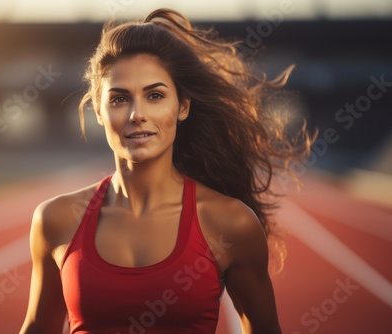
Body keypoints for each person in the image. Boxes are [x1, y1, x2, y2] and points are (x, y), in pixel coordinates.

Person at [20, 8, 312, 334]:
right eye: (119, 99)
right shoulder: (55, 220)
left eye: (155, 95)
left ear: (182, 106)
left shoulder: (232, 223)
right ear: (98, 111)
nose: (136, 115)